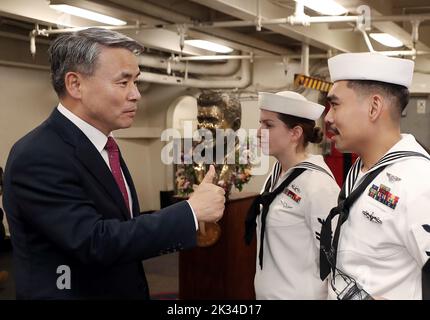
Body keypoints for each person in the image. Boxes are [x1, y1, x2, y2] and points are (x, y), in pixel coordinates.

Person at [2, 28, 225, 299]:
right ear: (75, 85)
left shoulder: (104, 145)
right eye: (123, 83)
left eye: (136, 82)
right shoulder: (37, 155)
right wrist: (190, 212)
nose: (136, 95)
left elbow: (120, 224)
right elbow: (94, 242)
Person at [320, 52, 430, 300]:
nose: (328, 117)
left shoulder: (419, 181)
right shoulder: (361, 170)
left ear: (374, 107)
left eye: (335, 104)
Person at [245, 91, 340, 299]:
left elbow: (335, 260)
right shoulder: (277, 174)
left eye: (268, 125)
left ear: (295, 133)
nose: (259, 132)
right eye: (260, 124)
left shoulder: (318, 185)